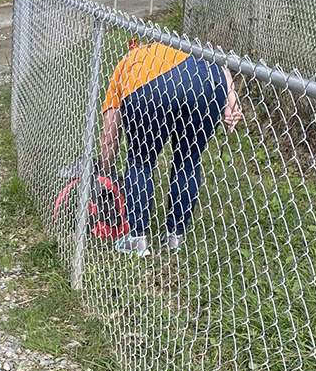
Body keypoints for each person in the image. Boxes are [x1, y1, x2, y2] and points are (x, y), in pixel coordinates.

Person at [98, 41, 243, 256]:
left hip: (149, 90)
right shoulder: (183, 45)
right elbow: (222, 67)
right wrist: (231, 100)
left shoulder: (126, 65)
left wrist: (104, 174)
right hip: (208, 83)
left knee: (141, 159)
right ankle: (176, 236)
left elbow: (110, 138)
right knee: (189, 159)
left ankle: (137, 239)